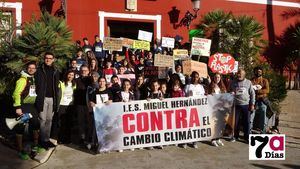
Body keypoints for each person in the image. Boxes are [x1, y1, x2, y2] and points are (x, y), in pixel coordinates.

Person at [12, 62, 45, 160]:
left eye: (33, 68)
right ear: (27, 68)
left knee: (35, 124)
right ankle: (20, 149)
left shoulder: (34, 78)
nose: (31, 69)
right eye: (29, 68)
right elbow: (16, 93)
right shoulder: (22, 79)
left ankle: (35, 145)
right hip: (23, 106)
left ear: (36, 69)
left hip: (32, 106)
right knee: (21, 126)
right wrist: (17, 107)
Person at [35, 52, 60, 149]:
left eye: (50, 58)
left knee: (49, 120)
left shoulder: (56, 71)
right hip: (42, 98)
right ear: (44, 59)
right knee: (42, 119)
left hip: (52, 99)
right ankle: (42, 140)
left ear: (53, 59)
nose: (48, 60)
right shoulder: (39, 70)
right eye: (46, 58)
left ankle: (46, 139)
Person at [229, 68, 255, 143]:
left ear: (244, 75)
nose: (239, 75)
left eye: (240, 74)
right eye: (238, 73)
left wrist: (252, 104)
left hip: (246, 105)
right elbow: (229, 91)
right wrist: (231, 93)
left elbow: (252, 94)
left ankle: (246, 137)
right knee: (235, 122)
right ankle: (235, 136)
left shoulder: (248, 82)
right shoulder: (233, 82)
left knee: (246, 122)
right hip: (236, 105)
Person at [184, 71, 205, 149]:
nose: (195, 78)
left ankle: (194, 142)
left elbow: (203, 98)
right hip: (189, 109)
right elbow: (183, 97)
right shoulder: (187, 86)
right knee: (187, 125)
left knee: (195, 126)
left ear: (198, 78)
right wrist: (187, 96)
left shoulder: (201, 87)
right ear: (191, 77)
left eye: (196, 77)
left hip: (197, 110)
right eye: (193, 77)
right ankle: (185, 141)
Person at [73, 64, 93, 145]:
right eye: (82, 70)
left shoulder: (91, 80)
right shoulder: (76, 80)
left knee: (90, 122)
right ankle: (82, 137)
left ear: (88, 72)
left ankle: (90, 137)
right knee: (81, 122)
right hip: (80, 104)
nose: (83, 72)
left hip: (89, 104)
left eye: (85, 70)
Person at [56, 70, 76, 144]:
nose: (70, 76)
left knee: (69, 123)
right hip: (62, 105)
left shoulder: (74, 84)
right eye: (69, 74)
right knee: (61, 123)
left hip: (70, 106)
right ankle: (60, 139)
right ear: (66, 75)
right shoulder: (61, 83)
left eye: (72, 75)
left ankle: (68, 139)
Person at [208, 73, 227, 147]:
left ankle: (218, 138)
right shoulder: (211, 85)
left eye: (218, 77)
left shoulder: (222, 86)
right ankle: (213, 139)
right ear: (213, 78)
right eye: (216, 77)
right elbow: (208, 95)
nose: (217, 78)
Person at [251, 66, 269, 133]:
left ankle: (263, 132)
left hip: (262, 101)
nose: (258, 72)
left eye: (259, 71)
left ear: (261, 72)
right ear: (254, 72)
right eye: (257, 71)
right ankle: (249, 131)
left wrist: (258, 91)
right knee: (251, 116)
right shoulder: (251, 80)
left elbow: (267, 90)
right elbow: (250, 89)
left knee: (263, 117)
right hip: (253, 100)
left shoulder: (265, 80)